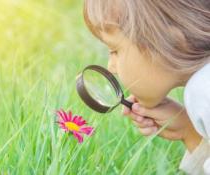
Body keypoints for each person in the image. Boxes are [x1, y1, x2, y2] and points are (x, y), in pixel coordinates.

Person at [83, 0, 210, 174]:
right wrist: (188, 131)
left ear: (171, 43)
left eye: (115, 50)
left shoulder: (202, 90)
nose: (111, 66)